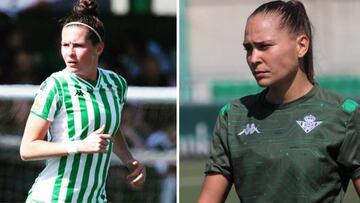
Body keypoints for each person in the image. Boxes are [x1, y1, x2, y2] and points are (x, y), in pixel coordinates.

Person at [198, 1, 360, 203]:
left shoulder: (343, 114)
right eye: (249, 49)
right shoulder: (232, 116)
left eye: (264, 46)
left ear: (301, 45)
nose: (253, 58)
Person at [19, 0, 146, 202]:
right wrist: (78, 145)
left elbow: (110, 127)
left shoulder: (116, 83)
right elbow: (27, 148)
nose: (69, 52)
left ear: (99, 48)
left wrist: (129, 160)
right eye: (64, 45)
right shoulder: (55, 86)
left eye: (77, 45)